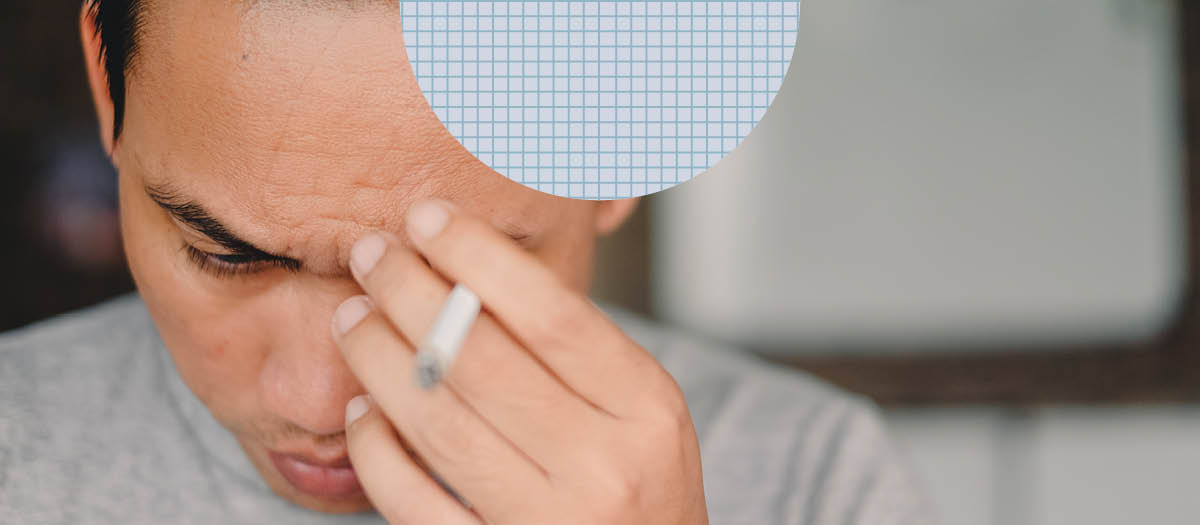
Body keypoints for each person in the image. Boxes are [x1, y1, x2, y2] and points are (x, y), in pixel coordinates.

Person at [0, 1, 932, 523]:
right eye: (226, 255)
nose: (328, 404)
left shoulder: (813, 480)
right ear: (105, 80)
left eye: (448, 284)